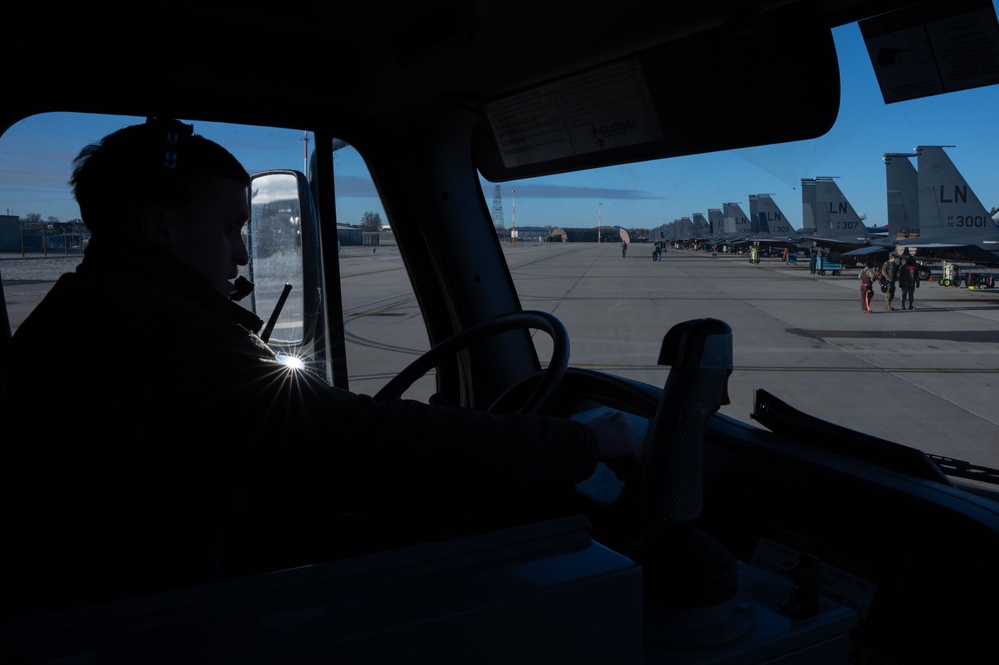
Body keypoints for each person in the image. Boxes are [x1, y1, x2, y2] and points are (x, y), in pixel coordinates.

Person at [0, 119, 644, 615]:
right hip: (150, 616)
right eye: (228, 228)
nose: (242, 254)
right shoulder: (158, 335)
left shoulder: (95, 312)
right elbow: (353, 438)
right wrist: (585, 441)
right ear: (160, 227)